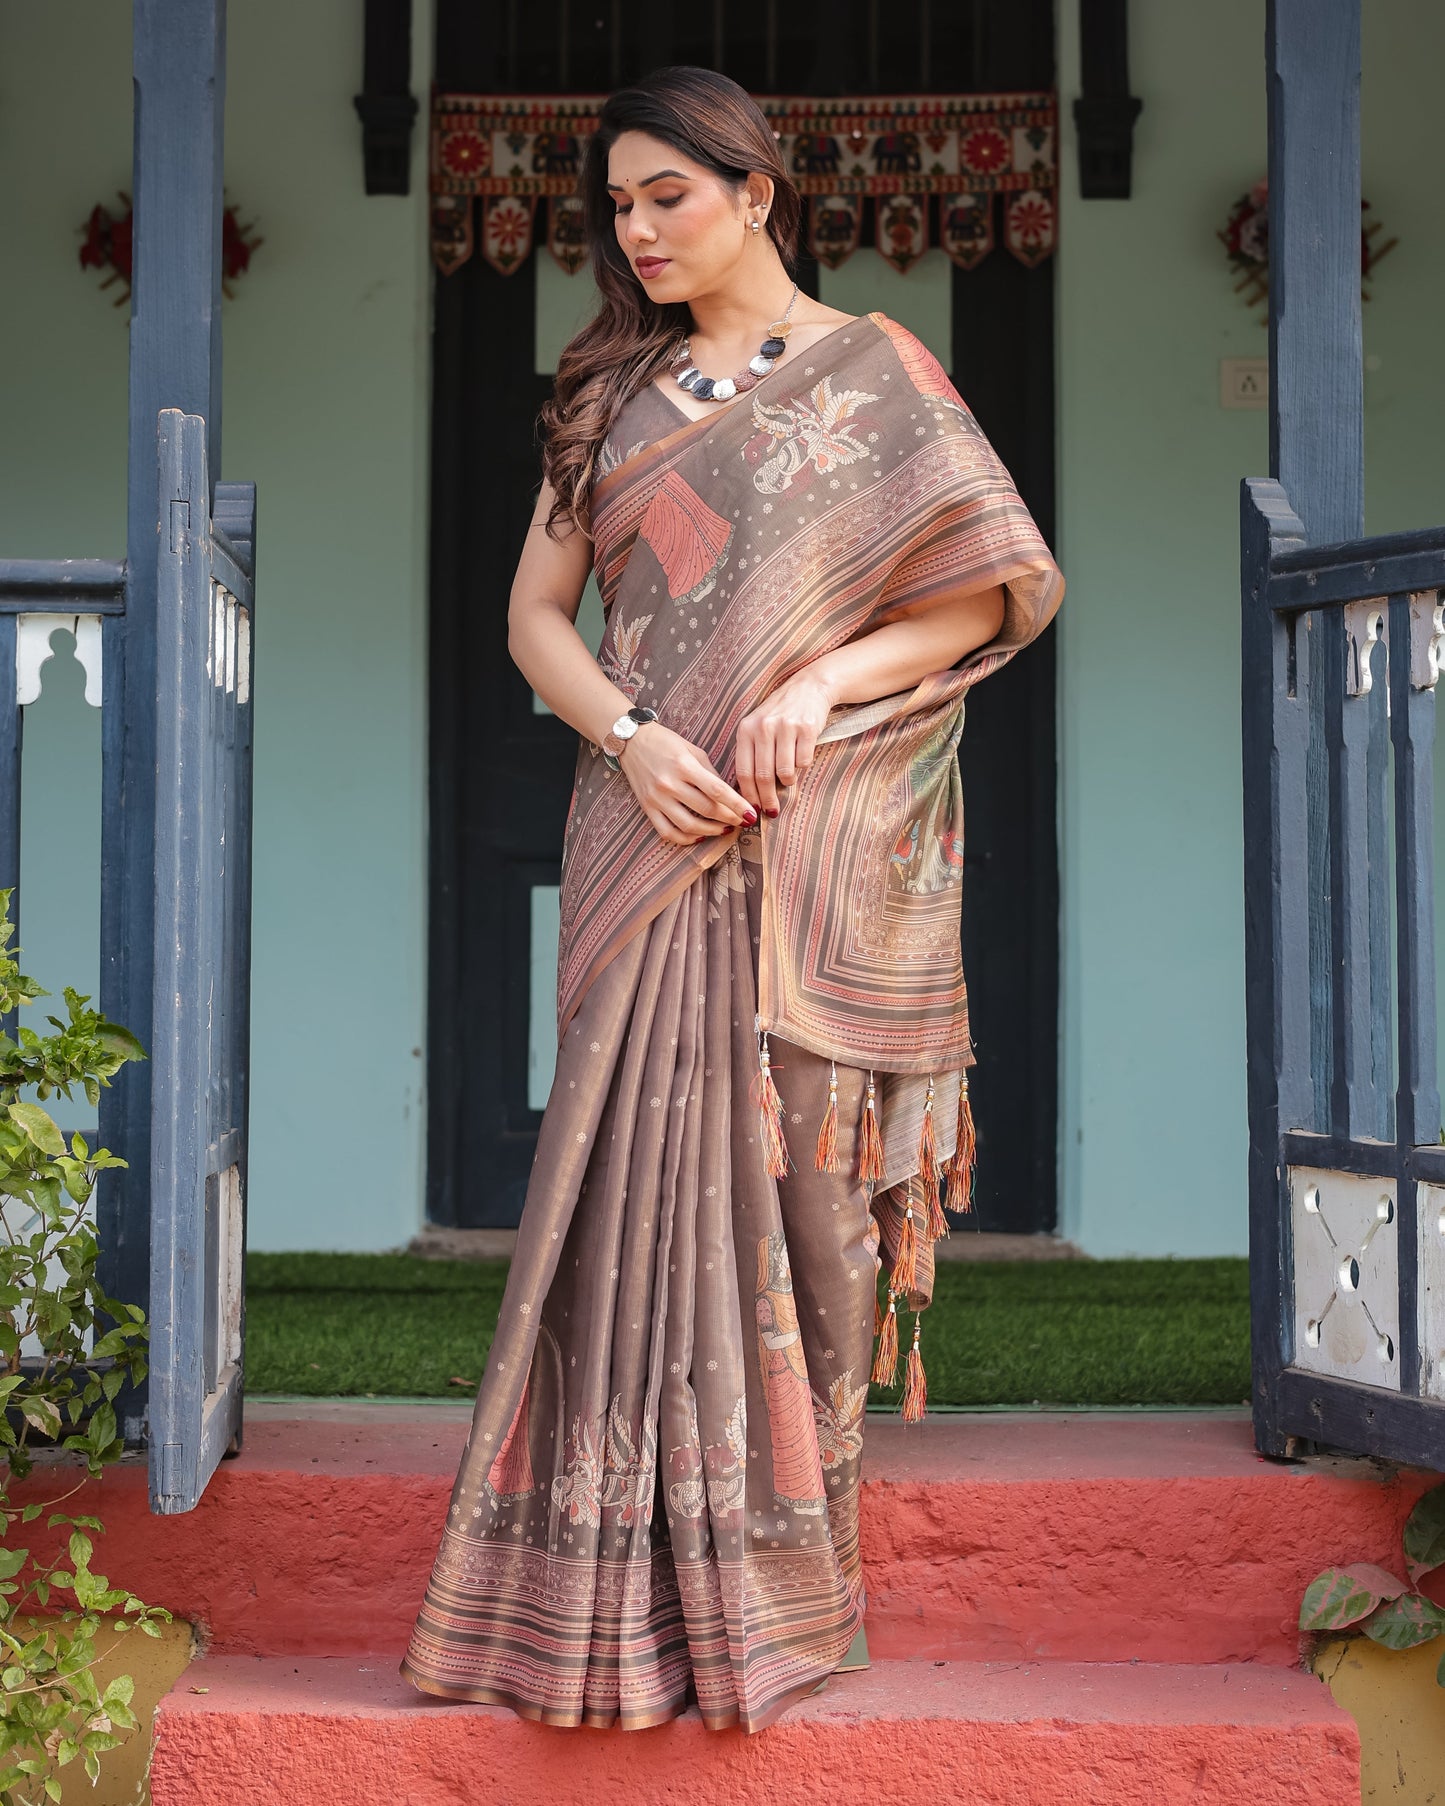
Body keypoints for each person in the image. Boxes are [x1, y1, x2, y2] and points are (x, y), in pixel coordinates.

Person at [400, 63, 1063, 1734]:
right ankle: (601, 1605)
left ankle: (787, 1589)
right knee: (621, 1206)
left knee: (810, 1216)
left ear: (756, 192)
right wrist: (625, 738)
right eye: (614, 206)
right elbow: (534, 621)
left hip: (812, 847)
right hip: (647, 836)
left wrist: (822, 677)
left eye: (664, 198)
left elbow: (988, 593)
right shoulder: (604, 391)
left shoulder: (878, 374)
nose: (634, 232)